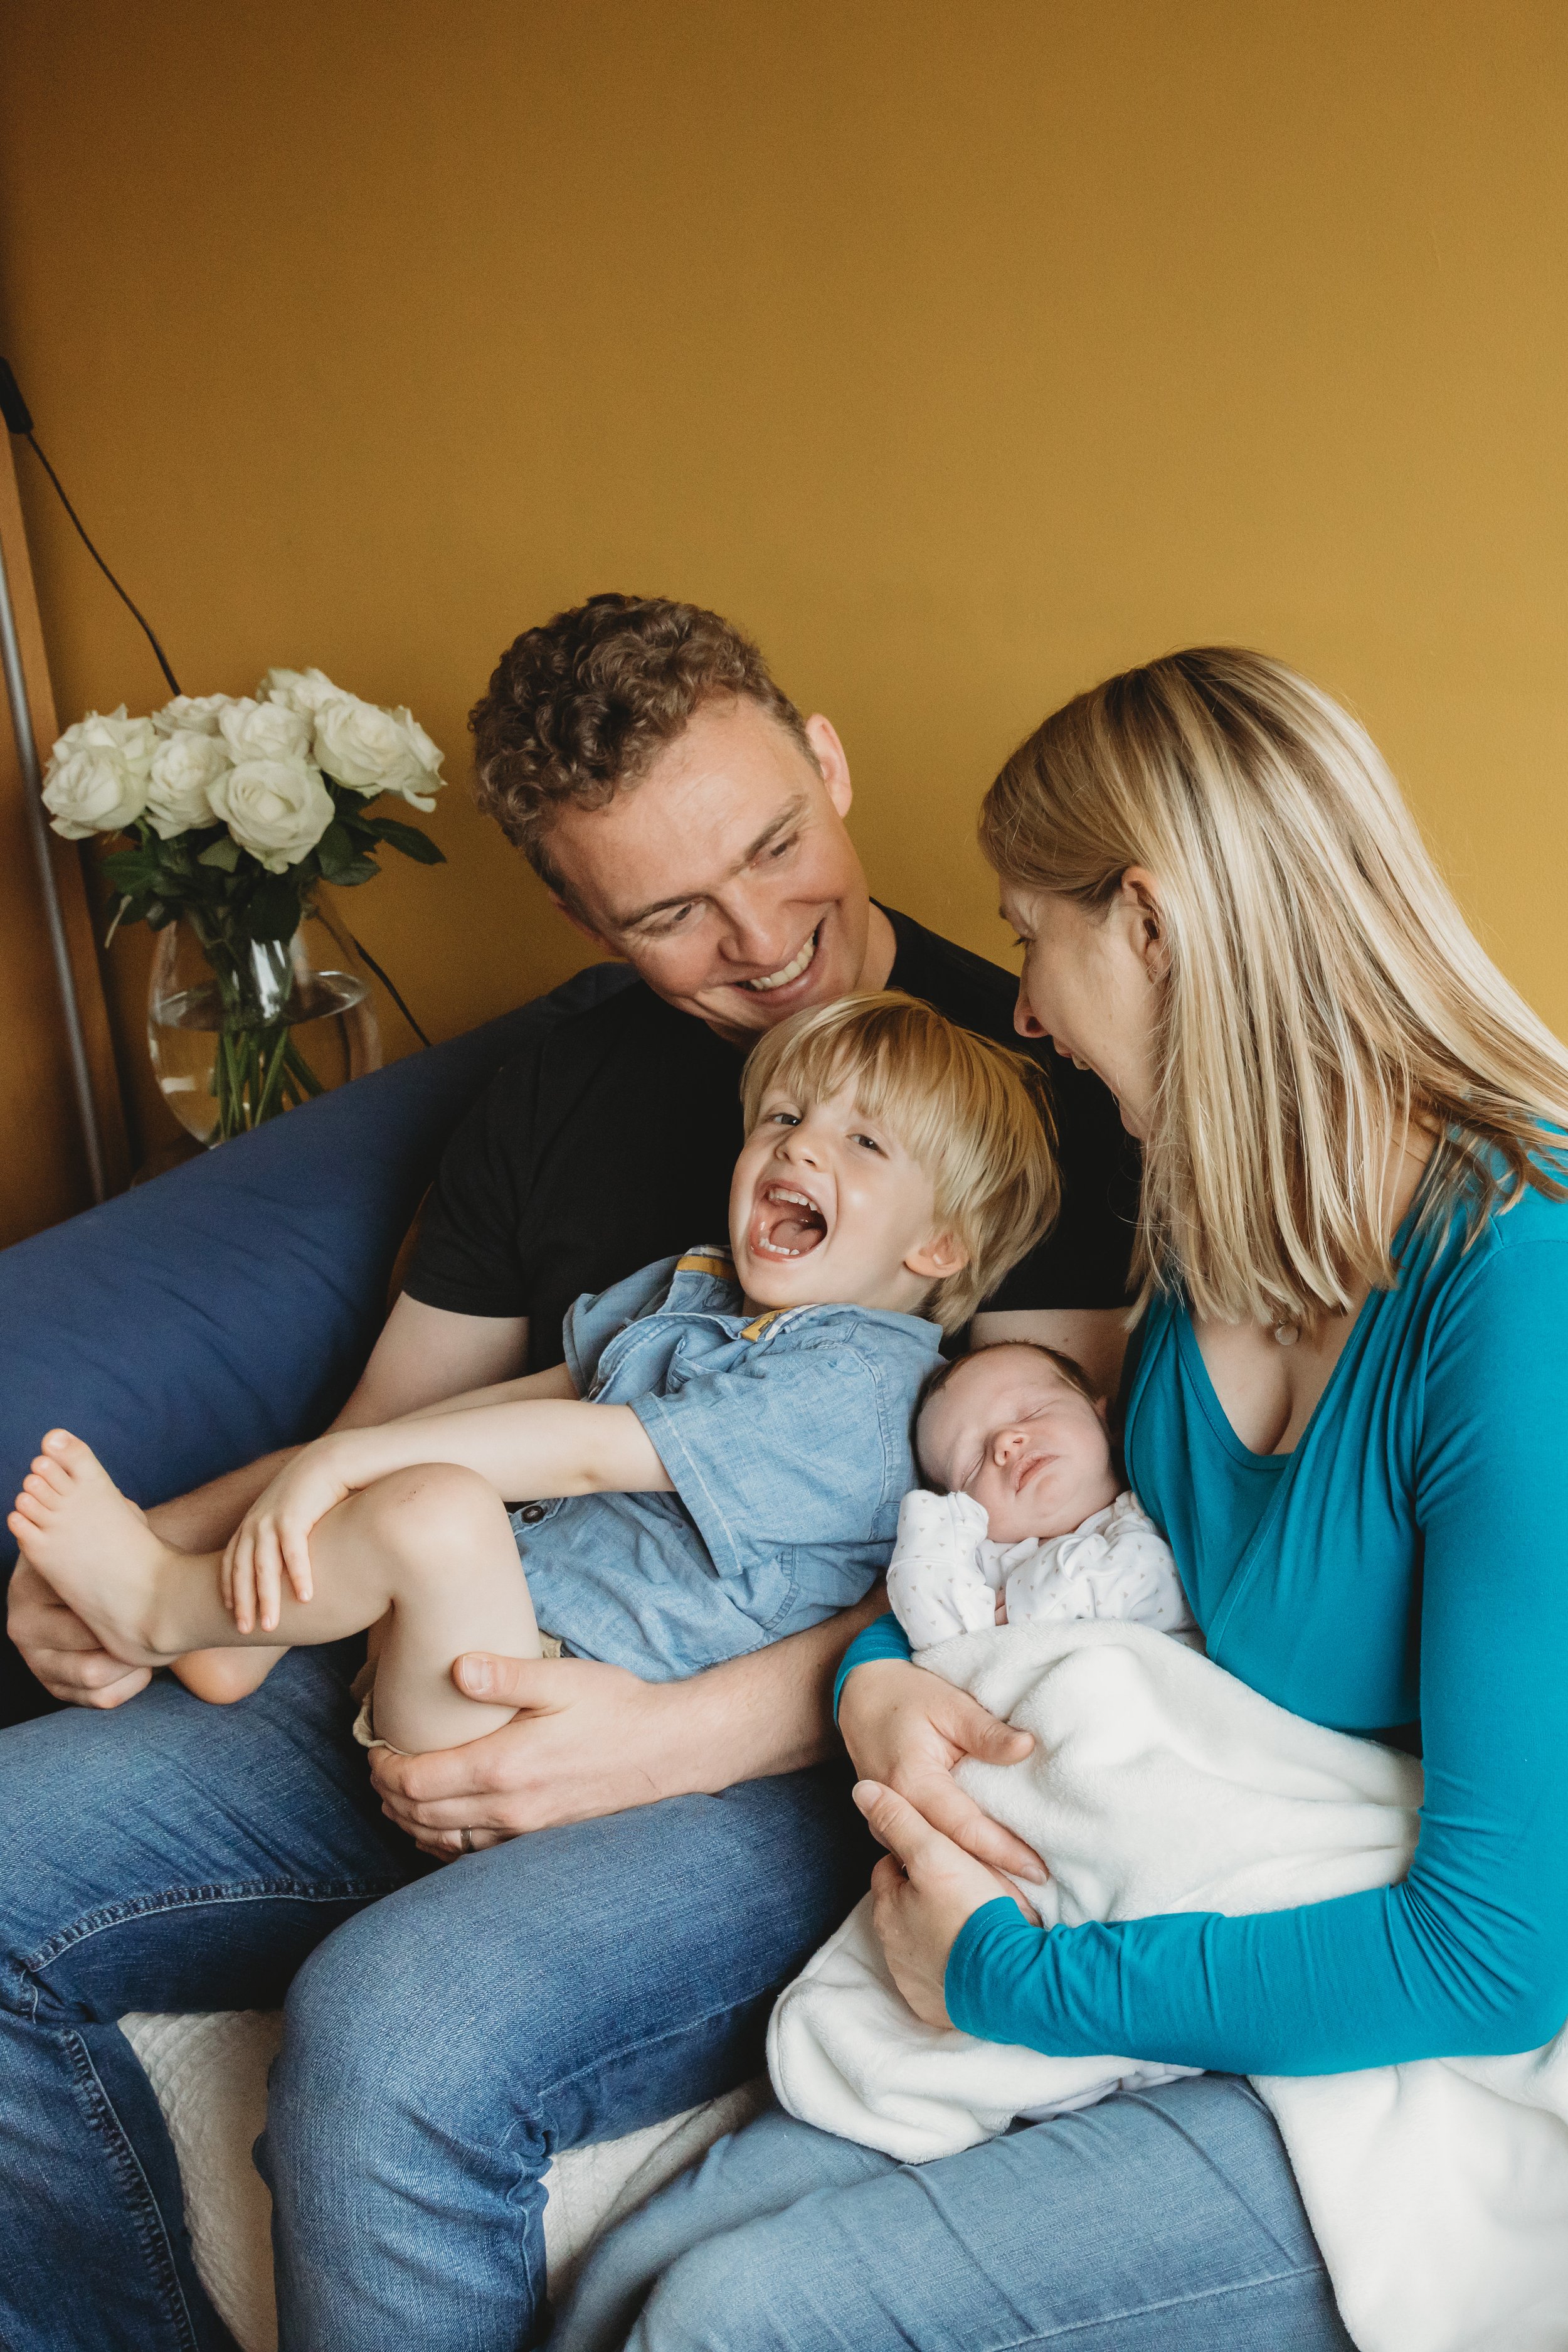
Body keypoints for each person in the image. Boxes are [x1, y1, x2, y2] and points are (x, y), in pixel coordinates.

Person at [0, 595, 1135, 2352]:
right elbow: (396, 1423)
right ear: (576, 910)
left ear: (827, 759)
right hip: (460, 1641)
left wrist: (676, 1736)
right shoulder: (558, 1092)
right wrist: (154, 1557)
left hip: (790, 1741)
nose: (761, 939)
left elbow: (1005, 1548)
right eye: (670, 913)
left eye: (774, 844)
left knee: (397, 2027)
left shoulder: (1035, 1081)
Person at [546, 644, 1568, 2352]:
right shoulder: (1217, 1228)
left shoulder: (1517, 1288)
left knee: (739, 2313)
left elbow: (1494, 1954)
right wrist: (880, 1687)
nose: (1021, 1003)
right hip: (1204, 1915)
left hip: (1438, 2045)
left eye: (1031, 931)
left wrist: (1005, 1978)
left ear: (1150, 927)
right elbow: (1054, 1550)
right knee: (623, 2285)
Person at [10, 995, 1054, 1754]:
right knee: (429, 1474)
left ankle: (161, 1607)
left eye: (863, 1139)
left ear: (940, 1248)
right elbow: (526, 1405)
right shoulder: (695, 1291)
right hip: (473, 1641)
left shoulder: (863, 1387)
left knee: (433, 1505)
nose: (802, 1148)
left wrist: (353, 1463)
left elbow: (598, 1451)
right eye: (784, 1118)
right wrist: (326, 1463)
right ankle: (240, 1632)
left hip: (534, 1719)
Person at [884, 1339, 1193, 1647]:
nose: (1005, 1441)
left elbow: (1155, 1582)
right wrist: (927, 1524)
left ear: (1106, 1420)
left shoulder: (1152, 1512)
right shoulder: (975, 1564)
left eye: (1031, 1412)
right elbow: (936, 1633)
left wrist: (1026, 1602)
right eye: (972, 1465)